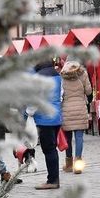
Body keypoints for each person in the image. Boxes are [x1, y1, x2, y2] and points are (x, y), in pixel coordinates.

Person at [32, 61, 63, 190]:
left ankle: (52, 180)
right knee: (52, 149)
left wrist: (29, 113)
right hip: (56, 117)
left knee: (48, 149)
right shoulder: (58, 76)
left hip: (44, 119)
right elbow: (61, 96)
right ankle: (54, 178)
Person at [60, 60, 92, 175]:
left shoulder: (62, 76)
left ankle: (68, 165)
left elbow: (61, 94)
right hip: (80, 109)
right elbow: (88, 91)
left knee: (67, 138)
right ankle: (78, 165)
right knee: (79, 137)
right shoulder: (83, 74)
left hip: (66, 110)